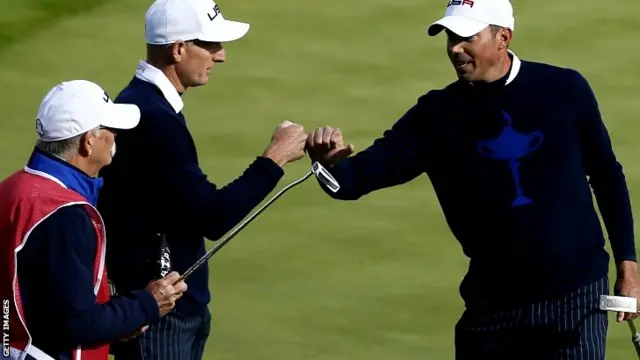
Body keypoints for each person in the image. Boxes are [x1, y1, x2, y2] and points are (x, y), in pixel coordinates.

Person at [304, 0, 639, 358]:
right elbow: (354, 181)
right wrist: (328, 165)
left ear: (503, 38)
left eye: (467, 37)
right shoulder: (435, 115)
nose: (455, 49)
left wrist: (628, 268)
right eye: (450, 37)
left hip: (574, 299)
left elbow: (606, 176)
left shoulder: (565, 90)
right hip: (491, 306)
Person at [96, 0, 308, 358]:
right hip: (160, 317)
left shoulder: (143, 103)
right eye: (211, 46)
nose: (220, 56)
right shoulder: (153, 118)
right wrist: (275, 158)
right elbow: (213, 215)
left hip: (167, 309)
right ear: (179, 50)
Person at [0, 80, 188, 360]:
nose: (115, 136)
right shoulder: (67, 215)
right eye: (109, 129)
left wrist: (119, 322)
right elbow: (75, 324)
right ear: (88, 142)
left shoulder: (14, 187)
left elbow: (45, 303)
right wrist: (148, 305)